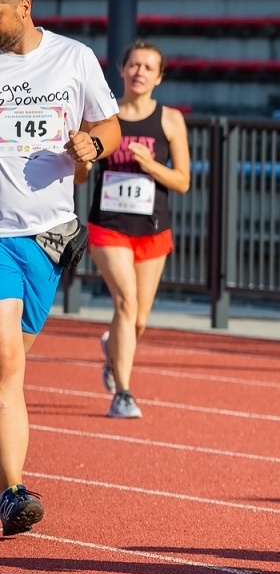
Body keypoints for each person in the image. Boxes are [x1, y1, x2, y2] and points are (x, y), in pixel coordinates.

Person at [0, 0, 121, 535]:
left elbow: (111, 126)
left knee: (11, 363)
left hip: (49, 237)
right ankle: (13, 491)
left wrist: (91, 147)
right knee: (6, 361)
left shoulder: (74, 58)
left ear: (23, 8)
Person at [78, 41, 190, 420]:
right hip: (109, 226)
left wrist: (151, 165)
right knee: (125, 304)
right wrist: (84, 160)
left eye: (148, 67)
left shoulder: (170, 119)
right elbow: (82, 170)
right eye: (134, 65)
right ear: (122, 71)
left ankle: (113, 352)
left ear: (159, 77)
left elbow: (183, 181)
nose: (140, 72)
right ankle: (123, 393)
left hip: (152, 227)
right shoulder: (103, 117)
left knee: (138, 318)